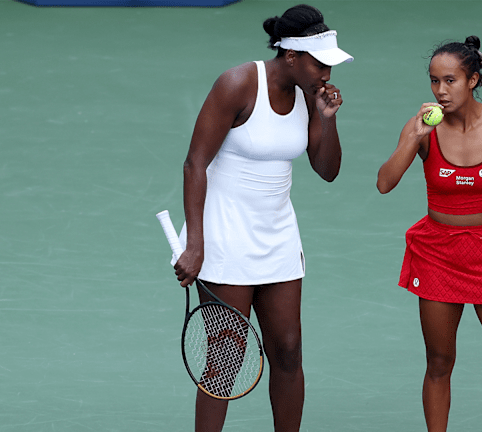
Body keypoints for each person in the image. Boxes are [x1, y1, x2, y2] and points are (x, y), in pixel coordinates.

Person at [171, 4, 353, 432]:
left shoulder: (311, 97)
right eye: (319, 63)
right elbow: (195, 164)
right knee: (227, 355)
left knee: (289, 351)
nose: (326, 72)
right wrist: (195, 244)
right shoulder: (237, 84)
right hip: (225, 236)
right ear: (291, 55)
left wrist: (327, 121)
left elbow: (327, 171)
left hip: (278, 238)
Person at [376, 36, 482, 432]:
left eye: (450, 80)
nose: (440, 90)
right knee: (438, 363)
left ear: (473, 80)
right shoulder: (423, 128)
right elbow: (385, 183)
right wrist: (413, 137)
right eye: (434, 81)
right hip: (438, 255)